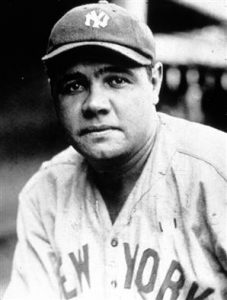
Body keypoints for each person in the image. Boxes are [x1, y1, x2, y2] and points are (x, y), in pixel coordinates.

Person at [3, 1, 227, 299]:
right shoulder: (45, 193)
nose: (95, 103)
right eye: (73, 85)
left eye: (116, 80)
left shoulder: (216, 173)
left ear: (154, 83)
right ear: (54, 95)